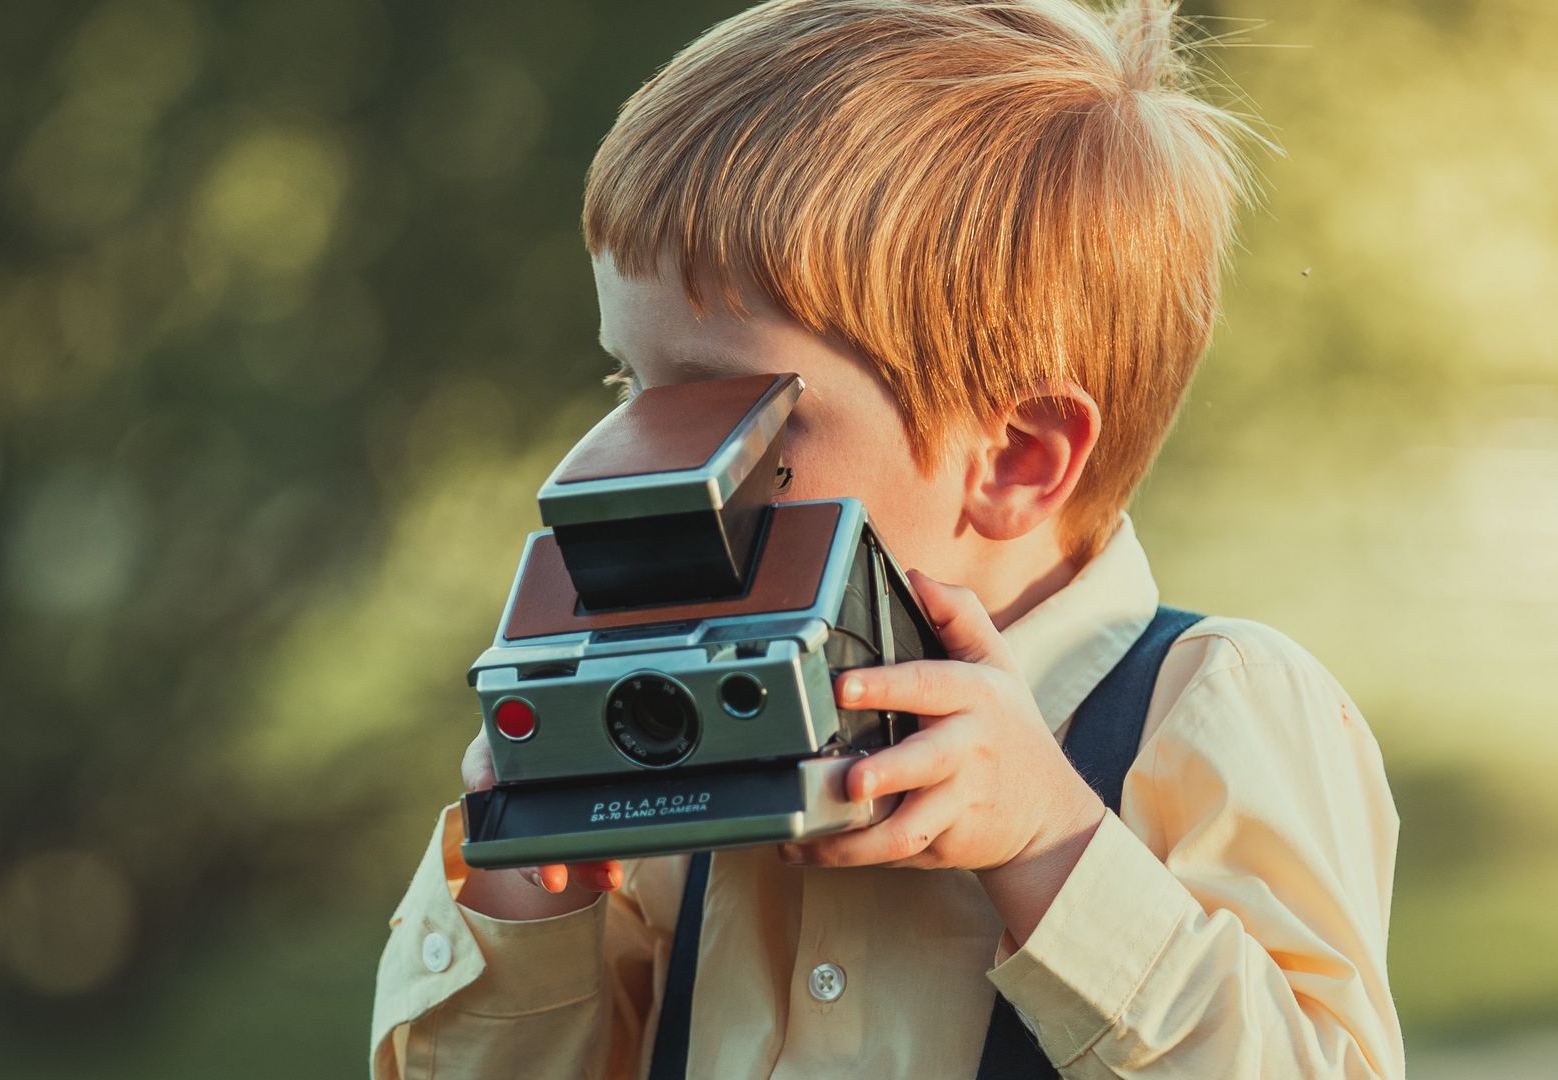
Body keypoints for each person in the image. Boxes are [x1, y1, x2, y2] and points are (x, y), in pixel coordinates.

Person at [372, 0, 1403, 1076]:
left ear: (1017, 459)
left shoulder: (1208, 711)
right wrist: (524, 901)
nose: (651, 470)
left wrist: (1055, 852)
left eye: (741, 417)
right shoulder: (674, 769)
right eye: (631, 388)